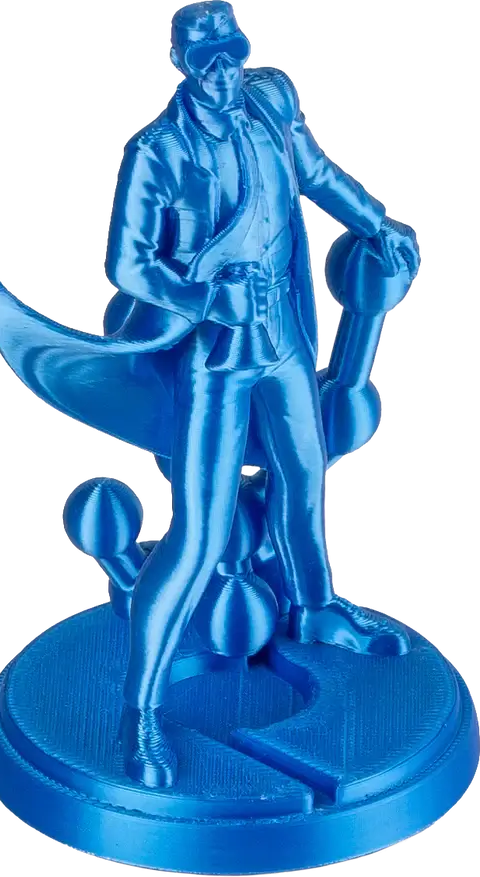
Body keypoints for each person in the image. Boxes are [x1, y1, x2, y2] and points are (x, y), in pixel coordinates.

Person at [107, 0, 420, 788]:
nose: (221, 73)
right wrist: (206, 298)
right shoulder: (160, 152)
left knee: (304, 478)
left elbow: (315, 174)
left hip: (283, 341)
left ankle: (315, 607)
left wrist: (378, 224)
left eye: (229, 54)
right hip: (215, 356)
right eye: (204, 60)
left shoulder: (269, 107)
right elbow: (130, 266)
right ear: (182, 63)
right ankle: (139, 713)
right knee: (199, 535)